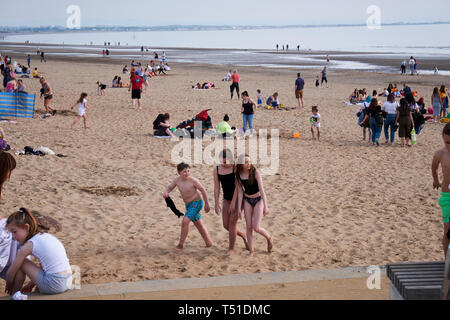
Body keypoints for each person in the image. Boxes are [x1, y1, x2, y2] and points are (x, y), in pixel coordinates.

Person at [4, 208, 72, 295]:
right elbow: (44, 267)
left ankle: (14, 294)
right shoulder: (46, 236)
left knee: (22, 263)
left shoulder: (29, 245)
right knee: (42, 268)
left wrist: (8, 285)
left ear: (27, 227)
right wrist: (31, 285)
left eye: (14, 232)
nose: (13, 236)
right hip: (68, 280)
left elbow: (11, 272)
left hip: (55, 283)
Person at [163, 163, 212, 252]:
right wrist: (166, 192)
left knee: (185, 221)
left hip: (197, 203)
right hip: (188, 205)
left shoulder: (193, 181)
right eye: (184, 171)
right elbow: (169, 188)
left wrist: (207, 204)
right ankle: (208, 243)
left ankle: (180, 245)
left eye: (188, 171)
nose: (187, 173)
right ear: (179, 172)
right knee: (199, 224)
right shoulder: (176, 181)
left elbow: (203, 190)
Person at [235, 154, 272, 256]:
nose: (248, 164)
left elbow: (262, 190)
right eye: (246, 162)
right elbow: (240, 192)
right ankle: (251, 251)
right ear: (241, 164)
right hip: (247, 200)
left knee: (256, 227)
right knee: (248, 227)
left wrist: (266, 206)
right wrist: (239, 209)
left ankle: (269, 238)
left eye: (249, 161)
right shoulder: (238, 174)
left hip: (258, 200)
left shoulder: (255, 172)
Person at [213, 149, 249, 252]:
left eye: (225, 161)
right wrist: (216, 203)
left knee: (232, 224)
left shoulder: (236, 168)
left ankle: (231, 249)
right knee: (226, 225)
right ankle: (243, 235)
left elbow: (238, 187)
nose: (222, 163)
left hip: (238, 199)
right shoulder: (217, 169)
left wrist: (234, 203)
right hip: (226, 199)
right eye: (221, 161)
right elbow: (217, 187)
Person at [432, 122, 450, 257]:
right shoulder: (440, 153)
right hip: (447, 196)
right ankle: (447, 263)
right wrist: (436, 180)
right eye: (447, 142)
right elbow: (434, 168)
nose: (449, 146)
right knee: (447, 229)